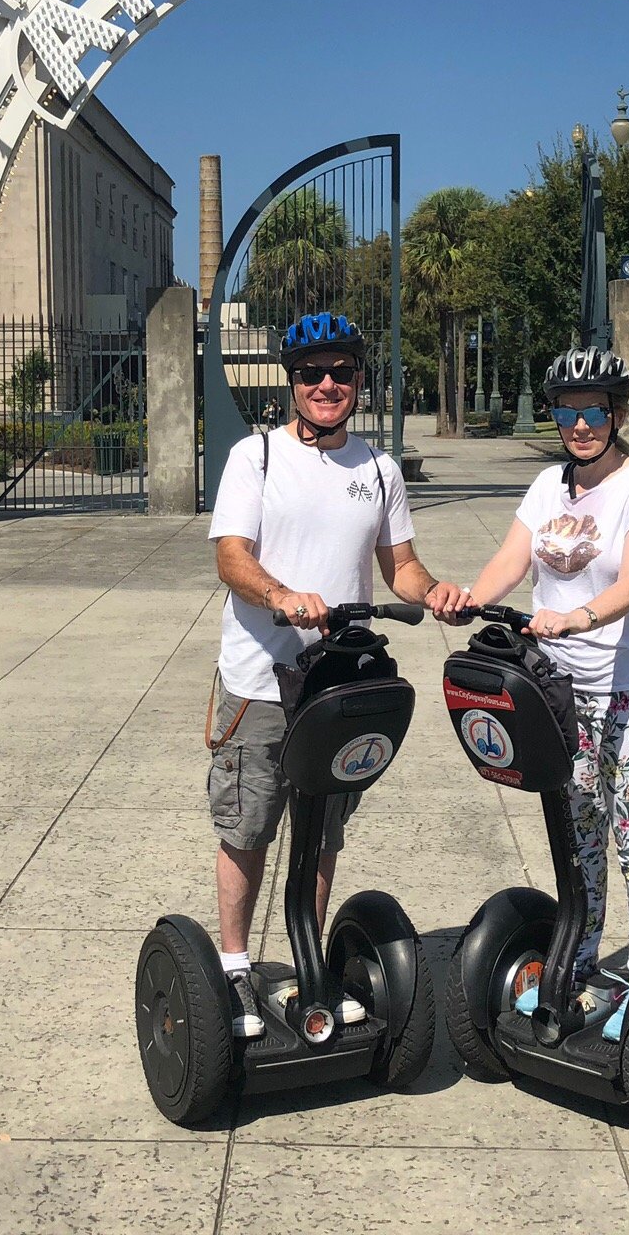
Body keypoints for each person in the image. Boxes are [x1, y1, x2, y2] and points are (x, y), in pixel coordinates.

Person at [207, 311, 466, 1038]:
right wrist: (281, 596)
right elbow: (231, 556)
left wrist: (435, 591)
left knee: (322, 833)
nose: (327, 385)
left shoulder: (378, 470)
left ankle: (304, 961)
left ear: (359, 381)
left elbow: (401, 566)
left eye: (341, 373)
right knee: (248, 824)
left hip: (339, 683)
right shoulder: (255, 458)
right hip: (262, 677)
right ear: (292, 382)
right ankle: (233, 966)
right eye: (312, 373)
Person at [455, 345, 629, 1041]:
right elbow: (511, 559)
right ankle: (580, 961)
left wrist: (575, 617)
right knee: (579, 833)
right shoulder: (548, 487)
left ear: (616, 414)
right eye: (566, 412)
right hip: (563, 690)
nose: (579, 425)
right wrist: (469, 598)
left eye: (593, 412)